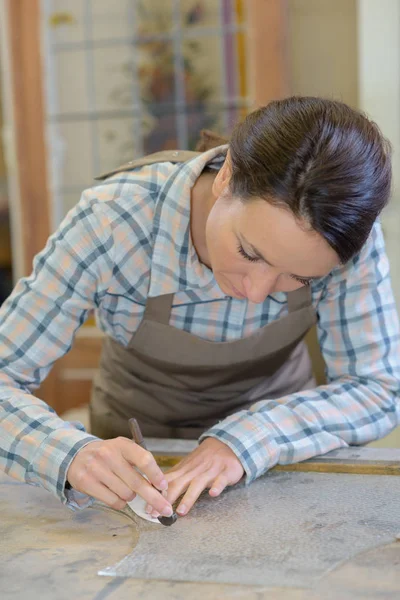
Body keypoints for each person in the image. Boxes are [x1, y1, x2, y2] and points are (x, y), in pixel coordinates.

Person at [0, 97, 399, 522]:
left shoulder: (345, 234)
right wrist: (71, 454)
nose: (257, 293)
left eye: (299, 279)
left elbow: (378, 388)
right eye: (249, 252)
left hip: (279, 458)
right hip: (135, 457)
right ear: (227, 176)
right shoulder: (113, 220)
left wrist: (250, 438)